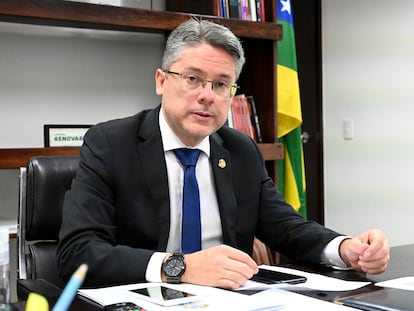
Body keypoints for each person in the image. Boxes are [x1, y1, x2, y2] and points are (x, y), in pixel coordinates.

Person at [56, 18, 390, 290]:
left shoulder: (240, 149)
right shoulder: (111, 143)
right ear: (161, 81)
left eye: (220, 85)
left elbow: (287, 228)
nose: (207, 96)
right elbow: (79, 253)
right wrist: (180, 267)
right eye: (192, 79)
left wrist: (346, 249)